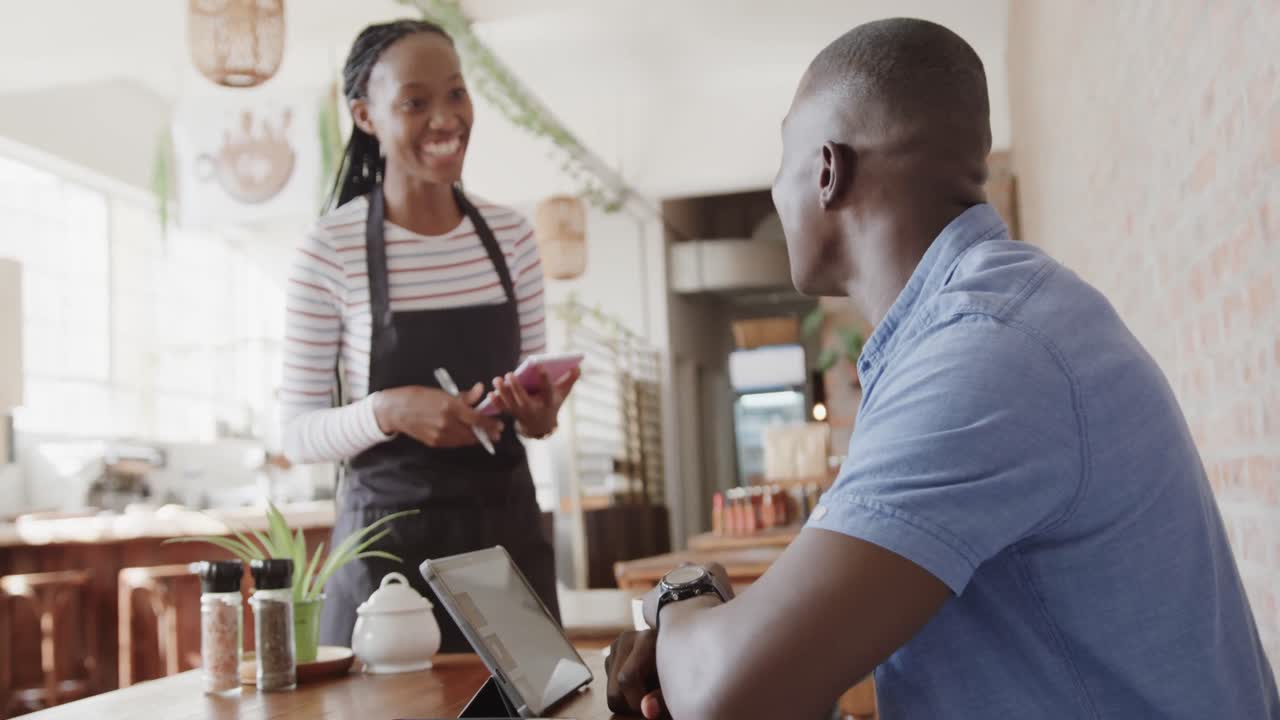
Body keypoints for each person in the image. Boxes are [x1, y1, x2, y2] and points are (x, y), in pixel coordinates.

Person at [606, 18, 1280, 720]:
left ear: (827, 171)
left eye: (782, 158)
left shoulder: (983, 354)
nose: (775, 191)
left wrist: (684, 593)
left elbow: (728, 695)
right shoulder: (991, 320)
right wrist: (720, 644)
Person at [279, 19, 578, 652]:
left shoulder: (512, 238)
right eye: (415, 102)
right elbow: (297, 433)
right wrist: (389, 411)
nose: (446, 119)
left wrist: (540, 415)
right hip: (385, 560)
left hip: (504, 541)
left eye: (456, 94)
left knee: (529, 697)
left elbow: (534, 407)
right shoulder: (328, 250)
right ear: (365, 116)